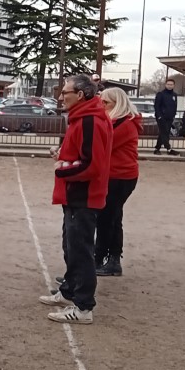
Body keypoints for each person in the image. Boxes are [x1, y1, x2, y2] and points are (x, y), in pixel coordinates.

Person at [38, 75, 111, 325]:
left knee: (81, 250)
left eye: (65, 92)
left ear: (80, 95)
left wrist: (63, 169)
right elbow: (82, 154)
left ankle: (83, 306)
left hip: (83, 195)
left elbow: (92, 164)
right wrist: (63, 155)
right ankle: (69, 291)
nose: (60, 97)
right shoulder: (81, 118)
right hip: (75, 194)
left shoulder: (90, 120)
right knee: (71, 246)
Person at [94, 88, 141, 277]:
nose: (101, 105)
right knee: (111, 216)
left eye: (105, 103)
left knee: (108, 218)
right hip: (114, 175)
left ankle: (107, 258)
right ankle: (106, 258)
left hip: (121, 176)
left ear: (117, 103)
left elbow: (104, 144)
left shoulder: (125, 124)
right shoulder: (115, 121)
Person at [153, 78, 180, 155]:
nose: (169, 86)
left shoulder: (174, 95)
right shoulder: (161, 94)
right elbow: (156, 106)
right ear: (165, 85)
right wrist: (159, 116)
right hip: (161, 117)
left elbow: (175, 106)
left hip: (170, 117)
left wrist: (173, 115)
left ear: (174, 85)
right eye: (168, 84)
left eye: (171, 84)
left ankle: (157, 148)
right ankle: (169, 149)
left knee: (164, 133)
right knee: (164, 132)